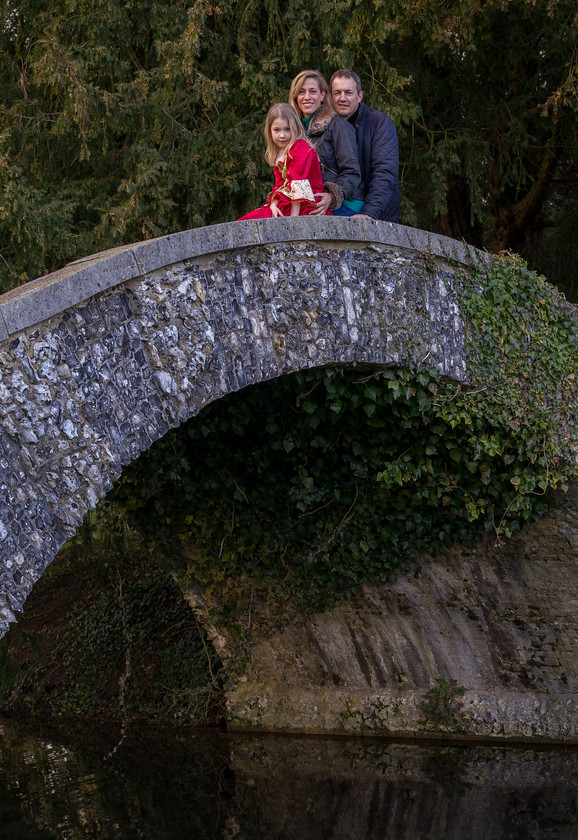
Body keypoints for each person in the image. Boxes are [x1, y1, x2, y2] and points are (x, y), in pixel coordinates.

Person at [288, 70, 363, 216]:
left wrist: (332, 196)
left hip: (345, 203)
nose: (307, 97)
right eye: (301, 92)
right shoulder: (294, 132)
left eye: (313, 91)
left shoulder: (337, 125)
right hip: (311, 203)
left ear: (322, 95)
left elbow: (352, 172)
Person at [330, 69, 401, 222]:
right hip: (338, 210)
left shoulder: (379, 124)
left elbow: (385, 172)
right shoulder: (327, 126)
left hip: (376, 215)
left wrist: (369, 213)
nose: (342, 98)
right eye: (337, 93)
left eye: (348, 92)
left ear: (359, 96)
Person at [237, 103, 329, 219]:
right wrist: (273, 204)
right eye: (277, 130)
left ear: (295, 127)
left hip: (307, 205)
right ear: (270, 131)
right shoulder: (280, 152)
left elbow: (299, 185)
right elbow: (280, 185)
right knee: (249, 220)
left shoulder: (299, 147)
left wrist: (293, 220)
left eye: (287, 129)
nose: (282, 135)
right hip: (289, 201)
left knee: (259, 221)